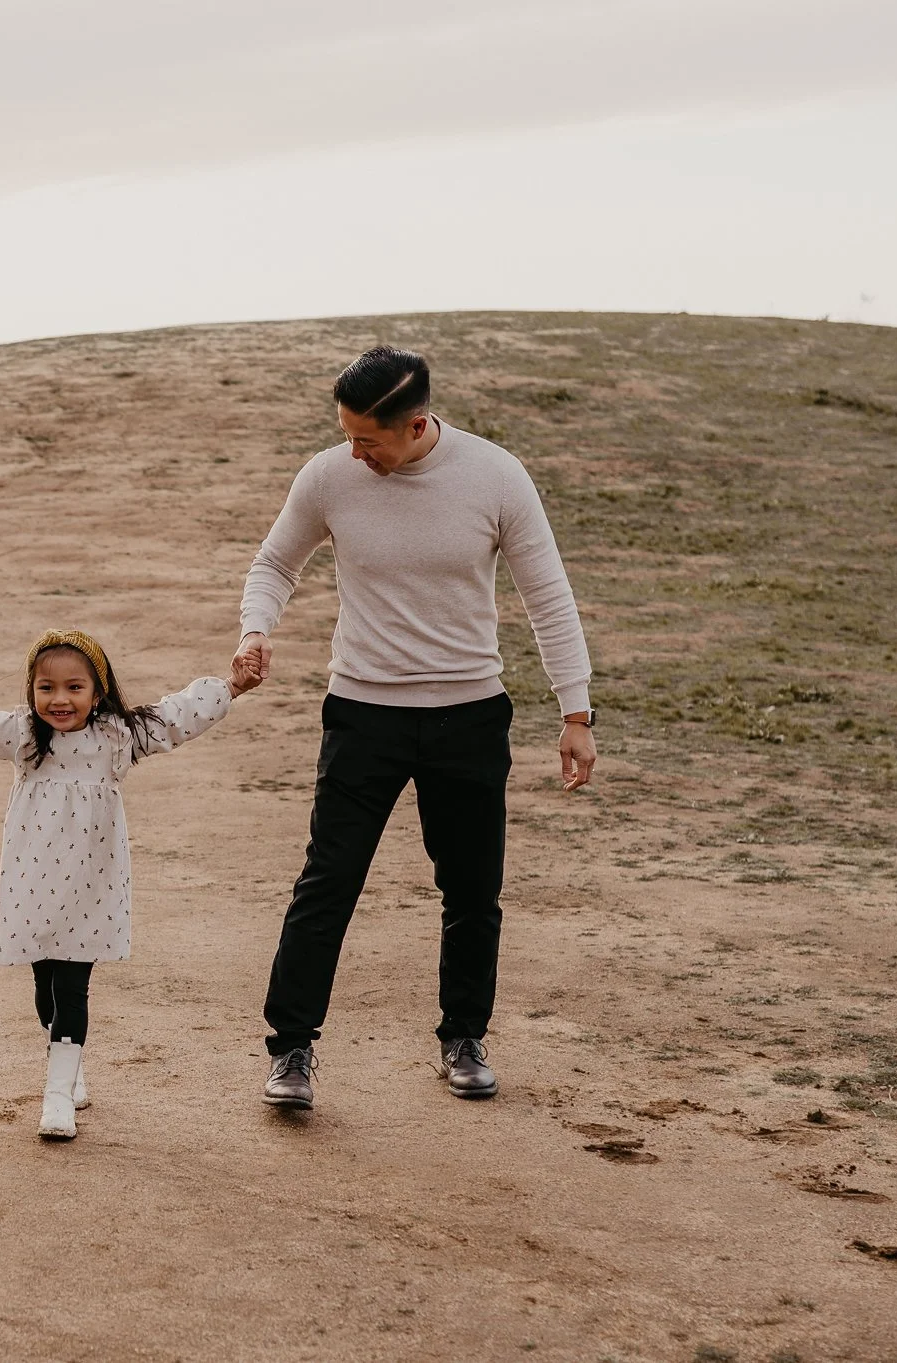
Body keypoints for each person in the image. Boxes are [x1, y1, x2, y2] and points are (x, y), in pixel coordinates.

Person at [235, 347, 594, 1111]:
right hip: (362, 714)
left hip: (469, 716)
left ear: (418, 425)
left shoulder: (496, 476)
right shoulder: (328, 476)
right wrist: (255, 629)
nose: (354, 453)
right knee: (327, 883)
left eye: (369, 440)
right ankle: (290, 1049)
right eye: (346, 435)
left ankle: (463, 1037)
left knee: (472, 889)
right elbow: (274, 562)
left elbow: (549, 598)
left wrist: (576, 711)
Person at [0, 630, 258, 1139]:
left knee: (74, 987)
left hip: (91, 884)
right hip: (33, 881)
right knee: (44, 988)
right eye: (46, 688)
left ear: (97, 693)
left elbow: (177, 717)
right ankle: (69, 1065)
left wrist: (231, 686)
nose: (60, 700)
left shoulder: (119, 736)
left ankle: (57, 1098)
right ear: (31, 692)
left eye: (75, 688)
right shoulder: (24, 736)